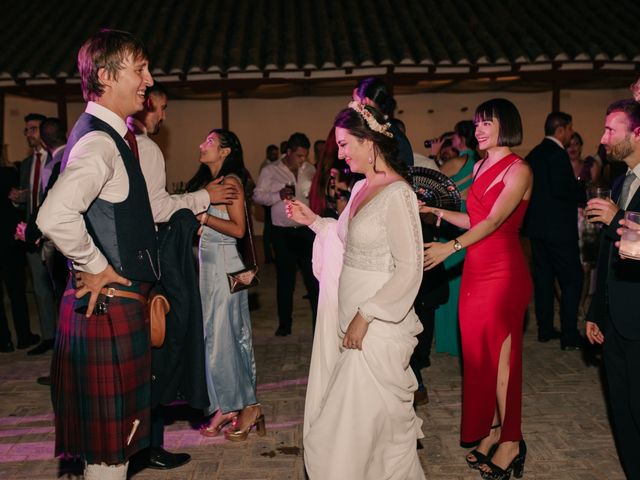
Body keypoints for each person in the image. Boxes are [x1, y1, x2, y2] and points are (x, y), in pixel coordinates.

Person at [36, 29, 157, 480]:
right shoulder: (99, 142)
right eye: (139, 69)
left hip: (107, 309)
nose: (148, 79)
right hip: (105, 310)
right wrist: (97, 266)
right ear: (106, 76)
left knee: (111, 455)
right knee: (109, 459)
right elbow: (54, 215)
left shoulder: (107, 135)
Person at [289, 101, 425, 479]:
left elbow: (409, 268)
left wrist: (367, 315)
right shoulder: (362, 187)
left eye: (346, 144)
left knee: (338, 434)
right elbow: (349, 242)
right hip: (351, 322)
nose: (341, 153)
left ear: (370, 143)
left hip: (376, 328)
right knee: (374, 437)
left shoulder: (398, 194)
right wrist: (315, 221)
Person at [128, 81, 238, 470]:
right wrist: (204, 198)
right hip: (151, 265)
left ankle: (137, 443)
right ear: (145, 108)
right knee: (161, 349)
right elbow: (158, 208)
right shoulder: (147, 149)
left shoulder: (122, 145)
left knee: (143, 356)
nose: (163, 116)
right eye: (161, 108)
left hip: (130, 262)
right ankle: (148, 446)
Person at [422, 98, 532, 478]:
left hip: (503, 273)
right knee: (480, 359)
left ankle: (512, 441)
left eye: (487, 123)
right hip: (476, 270)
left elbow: (496, 221)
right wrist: (436, 212)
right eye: (476, 123)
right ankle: (496, 430)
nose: (479, 129)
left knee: (502, 361)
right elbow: (473, 218)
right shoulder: (482, 164)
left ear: (507, 125)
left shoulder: (519, 169)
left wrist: (448, 247)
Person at [186, 129, 264, 442]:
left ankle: (245, 406)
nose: (201, 145)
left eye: (209, 142)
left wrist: (204, 219)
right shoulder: (211, 184)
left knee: (225, 337)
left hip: (224, 265)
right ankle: (225, 405)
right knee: (215, 336)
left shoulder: (230, 182)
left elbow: (239, 228)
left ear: (226, 151)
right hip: (211, 266)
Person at [585, 98, 640, 479]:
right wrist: (594, 310)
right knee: (622, 412)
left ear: (637, 134)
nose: (603, 139)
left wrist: (617, 218)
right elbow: (608, 257)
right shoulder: (622, 181)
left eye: (610, 130)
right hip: (617, 318)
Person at [523, 112, 584, 350]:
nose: (571, 134)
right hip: (559, 230)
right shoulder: (558, 154)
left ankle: (545, 329)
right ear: (561, 129)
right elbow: (562, 190)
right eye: (570, 129)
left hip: (537, 229)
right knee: (572, 279)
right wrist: (579, 189)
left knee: (544, 279)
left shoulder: (534, 154)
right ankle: (569, 334)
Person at [253, 132, 318, 336]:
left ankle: (319, 326)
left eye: (305, 156)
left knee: (313, 279)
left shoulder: (310, 169)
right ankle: (284, 325)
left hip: (307, 231)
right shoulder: (271, 170)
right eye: (299, 155)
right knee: (285, 281)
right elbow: (257, 195)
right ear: (288, 152)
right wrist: (278, 195)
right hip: (282, 232)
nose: (302, 160)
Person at [10, 112, 57, 355]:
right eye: (26, 130)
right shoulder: (27, 163)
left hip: (53, 235)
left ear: (45, 130)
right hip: (31, 232)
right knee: (39, 289)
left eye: (33, 129)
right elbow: (31, 199)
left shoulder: (58, 158)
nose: (29, 134)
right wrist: (19, 199)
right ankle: (49, 336)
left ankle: (64, 338)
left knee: (58, 287)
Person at [0, 152, 34, 352]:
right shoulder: (9, 173)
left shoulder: (9, 173)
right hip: (9, 243)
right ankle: (23, 336)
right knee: (17, 293)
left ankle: (4, 341)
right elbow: (17, 208)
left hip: (8, 242)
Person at [353, 76, 414, 166]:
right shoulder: (388, 130)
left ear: (365, 102)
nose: (351, 108)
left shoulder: (384, 135)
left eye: (354, 101)